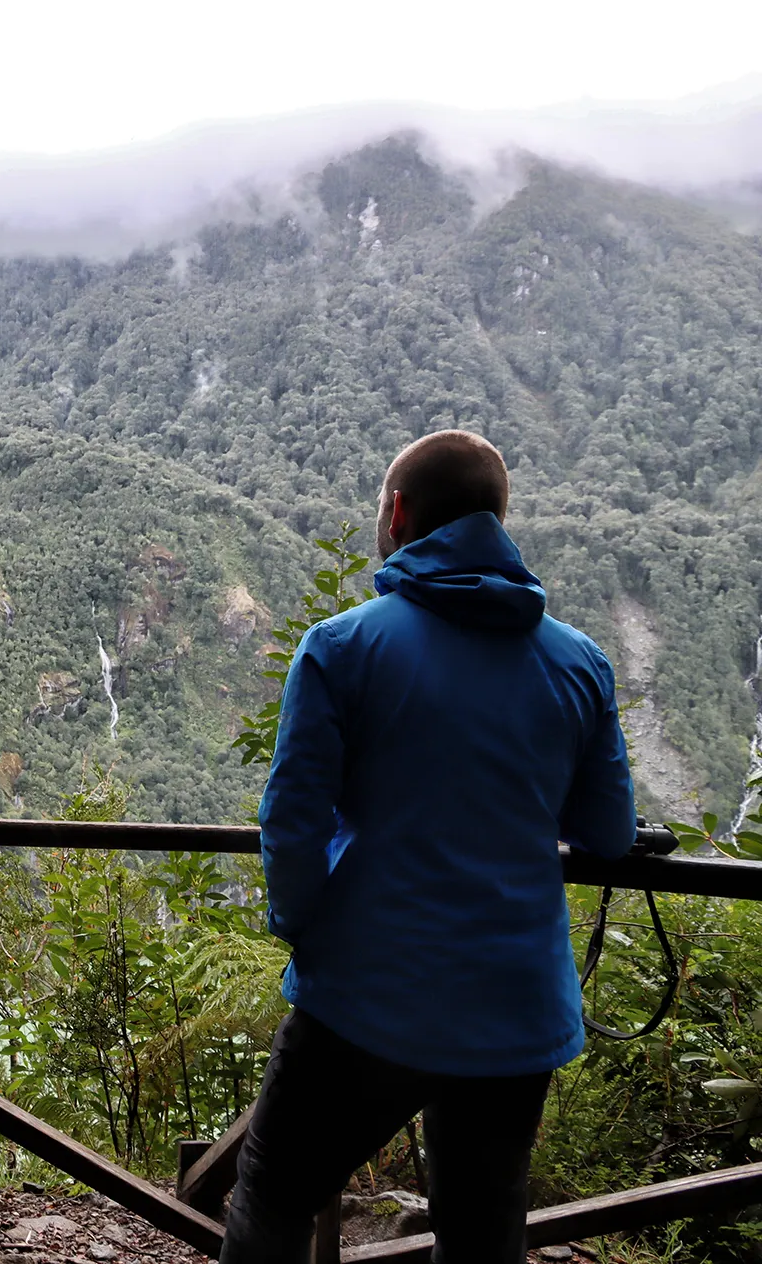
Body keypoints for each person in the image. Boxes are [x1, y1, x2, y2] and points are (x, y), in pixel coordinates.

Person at [220, 429, 637, 1264]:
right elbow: (611, 833)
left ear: (398, 513)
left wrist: (302, 927)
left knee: (275, 1194)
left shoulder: (341, 647)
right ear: (498, 518)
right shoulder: (580, 662)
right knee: (484, 1228)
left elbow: (292, 824)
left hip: (365, 994)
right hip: (515, 1004)